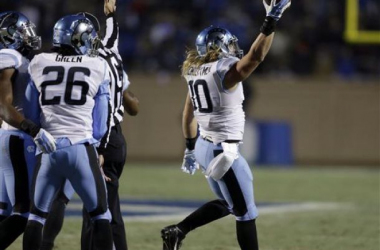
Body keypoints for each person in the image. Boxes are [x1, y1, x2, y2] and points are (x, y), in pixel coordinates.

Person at [161, 0, 291, 250]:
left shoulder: (195, 70)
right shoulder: (223, 70)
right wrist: (271, 20)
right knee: (246, 213)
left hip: (203, 146)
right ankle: (179, 231)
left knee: (230, 204)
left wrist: (189, 149)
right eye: (230, 44)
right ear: (218, 47)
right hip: (224, 153)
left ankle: (178, 231)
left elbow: (188, 115)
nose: (234, 48)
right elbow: (257, 56)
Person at [40, 1, 139, 250]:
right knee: (100, 208)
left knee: (95, 211)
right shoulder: (111, 54)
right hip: (100, 138)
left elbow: (102, 112)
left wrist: (100, 148)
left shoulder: (88, 61)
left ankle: (48, 244)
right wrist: (111, 14)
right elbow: (112, 32)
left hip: (95, 139)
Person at [22, 14, 114, 250]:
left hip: (48, 148)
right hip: (80, 147)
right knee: (101, 215)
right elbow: (101, 122)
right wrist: (97, 145)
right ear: (78, 38)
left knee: (36, 217)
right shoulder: (97, 65)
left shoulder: (39, 61)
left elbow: (31, 114)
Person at [0, 11, 54, 249]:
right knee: (24, 213)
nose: (29, 35)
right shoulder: (9, 55)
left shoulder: (17, 57)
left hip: (11, 137)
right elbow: (3, 105)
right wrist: (30, 127)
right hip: (18, 138)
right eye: (23, 30)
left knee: (5, 211)